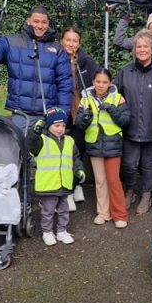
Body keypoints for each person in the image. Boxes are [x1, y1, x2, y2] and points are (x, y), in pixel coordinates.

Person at [0, 5, 72, 128]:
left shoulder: (57, 49)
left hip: (48, 114)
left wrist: (62, 112)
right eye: (36, 21)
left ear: (48, 24)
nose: (40, 26)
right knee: (20, 147)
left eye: (44, 22)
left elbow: (65, 82)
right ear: (28, 21)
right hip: (20, 114)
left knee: (46, 147)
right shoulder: (12, 42)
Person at [75, 68, 131, 228]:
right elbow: (79, 124)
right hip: (94, 143)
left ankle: (120, 215)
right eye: (98, 81)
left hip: (113, 144)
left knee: (113, 180)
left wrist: (113, 110)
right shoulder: (85, 100)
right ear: (93, 82)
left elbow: (126, 120)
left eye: (104, 82)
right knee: (100, 181)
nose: (101, 85)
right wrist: (85, 118)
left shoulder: (118, 98)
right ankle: (103, 213)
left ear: (110, 83)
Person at [115, 30, 152, 215]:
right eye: (139, 46)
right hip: (130, 127)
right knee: (129, 164)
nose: (142, 49)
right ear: (134, 49)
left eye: (145, 46)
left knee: (149, 164)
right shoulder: (126, 71)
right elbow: (116, 96)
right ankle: (130, 191)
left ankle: (147, 195)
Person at [26, 107, 86, 246]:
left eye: (63, 125)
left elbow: (75, 158)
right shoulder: (41, 140)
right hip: (48, 184)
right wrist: (34, 132)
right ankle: (47, 232)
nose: (60, 129)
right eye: (57, 125)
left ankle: (62, 231)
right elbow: (30, 145)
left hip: (64, 184)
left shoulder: (70, 141)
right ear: (49, 126)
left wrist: (79, 170)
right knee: (48, 211)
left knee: (64, 210)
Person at [61, 26, 98, 207]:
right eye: (68, 40)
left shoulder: (87, 62)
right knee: (64, 154)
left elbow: (97, 83)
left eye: (75, 40)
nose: (71, 44)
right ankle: (67, 190)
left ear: (79, 43)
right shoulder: (56, 60)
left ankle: (76, 186)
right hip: (63, 114)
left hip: (81, 114)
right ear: (62, 41)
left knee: (78, 152)